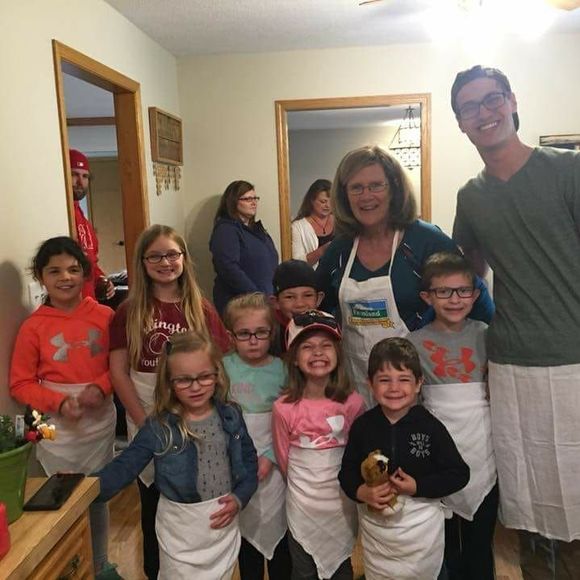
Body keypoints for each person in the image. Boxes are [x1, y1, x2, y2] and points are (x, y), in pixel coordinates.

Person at [451, 64, 580, 577]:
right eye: (469, 107)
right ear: (460, 122)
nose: (483, 113)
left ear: (511, 100)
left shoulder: (569, 170)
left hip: (574, 356)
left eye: (491, 99)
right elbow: (465, 276)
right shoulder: (471, 197)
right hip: (509, 362)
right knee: (527, 489)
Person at [316, 145, 494, 408]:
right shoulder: (339, 250)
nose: (366, 196)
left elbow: (475, 300)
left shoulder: (425, 241)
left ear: (395, 188)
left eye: (376, 185)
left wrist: (491, 361)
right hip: (357, 388)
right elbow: (317, 310)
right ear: (344, 195)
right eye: (356, 188)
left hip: (422, 390)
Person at [109, 224, 230, 580]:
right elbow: (118, 372)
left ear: (184, 258)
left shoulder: (201, 310)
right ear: (143, 262)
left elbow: (220, 363)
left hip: (194, 418)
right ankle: (156, 571)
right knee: (152, 503)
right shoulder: (128, 311)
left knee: (191, 497)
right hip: (145, 413)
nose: (165, 262)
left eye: (172, 254)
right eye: (156, 256)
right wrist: (143, 422)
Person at [96, 331, 258, 579]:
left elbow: (249, 461)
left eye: (204, 376)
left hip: (221, 528)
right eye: (183, 380)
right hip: (180, 531)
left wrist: (240, 497)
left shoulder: (231, 416)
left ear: (217, 375)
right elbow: (124, 467)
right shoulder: (159, 428)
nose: (195, 387)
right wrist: (81, 489)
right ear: (169, 383)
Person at [10, 236, 119, 579]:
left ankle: (99, 563)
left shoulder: (106, 316)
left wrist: (100, 388)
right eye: (54, 271)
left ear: (85, 273)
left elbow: (120, 366)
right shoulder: (33, 326)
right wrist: (58, 402)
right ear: (40, 276)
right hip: (57, 428)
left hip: (99, 423)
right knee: (63, 499)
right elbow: (20, 384)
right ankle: (73, 565)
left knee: (97, 495)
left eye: (73, 269)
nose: (65, 277)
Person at [339, 337, 469, 580]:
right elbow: (346, 472)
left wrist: (418, 486)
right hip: (379, 538)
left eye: (404, 379)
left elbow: (459, 474)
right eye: (384, 380)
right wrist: (361, 492)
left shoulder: (431, 427)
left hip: (422, 533)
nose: (394, 388)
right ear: (370, 384)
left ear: (419, 383)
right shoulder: (363, 426)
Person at [409, 252, 497, 580]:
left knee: (480, 543)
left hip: (484, 449)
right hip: (437, 453)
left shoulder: (488, 334)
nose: (455, 299)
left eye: (463, 291)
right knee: (441, 544)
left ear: (475, 294)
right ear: (427, 297)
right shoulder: (414, 343)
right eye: (444, 292)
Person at [272, 310, 366, 580]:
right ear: (294, 358)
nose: (318, 353)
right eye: (307, 347)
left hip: (340, 506)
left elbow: (356, 454)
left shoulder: (353, 403)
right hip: (303, 507)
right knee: (303, 570)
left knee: (341, 569)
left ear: (338, 353)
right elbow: (284, 459)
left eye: (326, 345)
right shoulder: (283, 408)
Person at [223, 292, 291, 580]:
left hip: (275, 466)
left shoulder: (283, 370)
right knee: (246, 540)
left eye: (260, 333)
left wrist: (270, 456)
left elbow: (291, 424)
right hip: (237, 466)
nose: (253, 341)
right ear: (231, 336)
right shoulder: (222, 369)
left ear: (271, 333)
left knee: (279, 539)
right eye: (244, 334)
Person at [209, 180, 279, 315]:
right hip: (240, 304)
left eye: (255, 198)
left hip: (263, 303)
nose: (254, 203)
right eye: (247, 199)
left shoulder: (256, 230)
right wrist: (256, 296)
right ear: (233, 202)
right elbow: (228, 267)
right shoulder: (226, 230)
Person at [69, 149, 115, 301]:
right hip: (71, 304)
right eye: (74, 174)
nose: (80, 182)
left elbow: (91, 262)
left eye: (85, 176)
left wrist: (102, 279)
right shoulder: (61, 213)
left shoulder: (83, 220)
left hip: (90, 303)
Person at [270, 259, 324, 354]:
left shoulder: (326, 329)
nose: (300, 304)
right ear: (276, 302)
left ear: (318, 299)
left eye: (308, 295)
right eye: (289, 297)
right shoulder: (268, 334)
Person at [292, 178, 334, 268]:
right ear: (311, 201)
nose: (327, 205)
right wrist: (322, 251)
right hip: (313, 276)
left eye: (331, 202)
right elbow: (297, 264)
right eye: (323, 202)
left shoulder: (341, 222)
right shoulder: (297, 227)